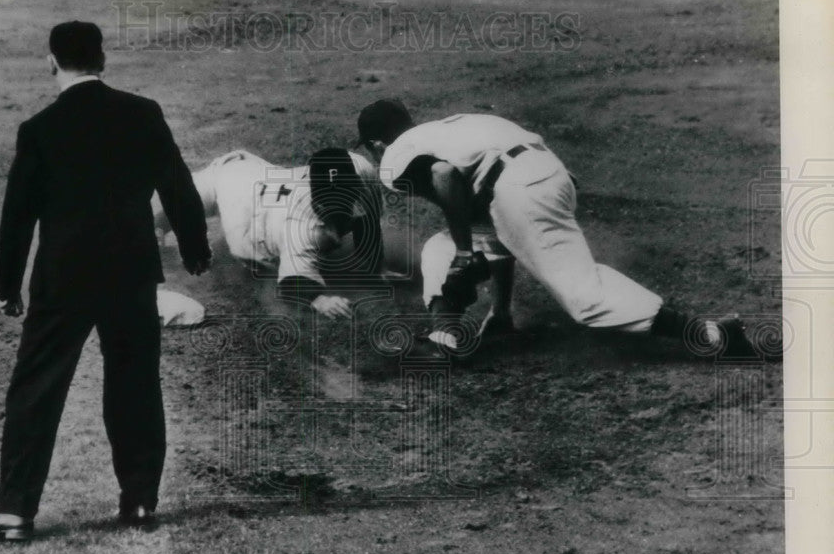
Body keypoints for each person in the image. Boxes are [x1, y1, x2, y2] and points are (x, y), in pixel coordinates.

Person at [0, 21, 212, 542]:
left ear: (51, 61)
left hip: (64, 277)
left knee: (36, 389)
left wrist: (6, 285)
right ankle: (139, 502)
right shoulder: (143, 113)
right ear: (103, 59)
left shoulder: (39, 128)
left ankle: (15, 512)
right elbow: (177, 184)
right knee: (135, 384)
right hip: (132, 272)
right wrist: (194, 247)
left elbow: (17, 216)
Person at [355, 99, 759, 358]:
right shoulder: (454, 126)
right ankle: (450, 335)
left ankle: (711, 333)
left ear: (375, 144)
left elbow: (443, 176)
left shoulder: (395, 156)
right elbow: (496, 229)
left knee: (584, 298)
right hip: (547, 175)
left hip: (520, 191)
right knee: (439, 247)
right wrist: (500, 307)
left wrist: (465, 253)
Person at [183, 146, 398, 318]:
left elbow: (368, 220)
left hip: (256, 173)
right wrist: (320, 300)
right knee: (174, 202)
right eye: (334, 206)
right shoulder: (299, 226)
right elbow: (291, 284)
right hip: (242, 215)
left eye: (347, 196)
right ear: (318, 203)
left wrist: (377, 267)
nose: (344, 208)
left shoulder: (361, 168)